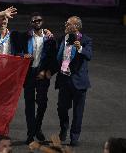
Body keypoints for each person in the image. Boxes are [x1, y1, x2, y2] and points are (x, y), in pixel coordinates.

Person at [55, 16, 92, 146]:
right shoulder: (61, 39)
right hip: (64, 79)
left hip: (79, 82)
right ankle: (64, 127)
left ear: (76, 27)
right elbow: (56, 58)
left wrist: (80, 48)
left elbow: (89, 55)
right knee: (61, 108)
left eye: (68, 23)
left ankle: (74, 137)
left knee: (78, 112)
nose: (65, 24)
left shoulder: (85, 40)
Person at [22, 13, 57, 145]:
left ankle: (37, 127)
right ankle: (30, 134)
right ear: (31, 23)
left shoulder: (50, 39)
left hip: (42, 74)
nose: (37, 22)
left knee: (42, 103)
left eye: (39, 20)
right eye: (34, 20)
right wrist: (23, 55)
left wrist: (48, 72)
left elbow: (54, 58)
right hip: (29, 73)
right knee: (29, 105)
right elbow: (18, 49)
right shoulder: (25, 36)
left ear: (43, 22)